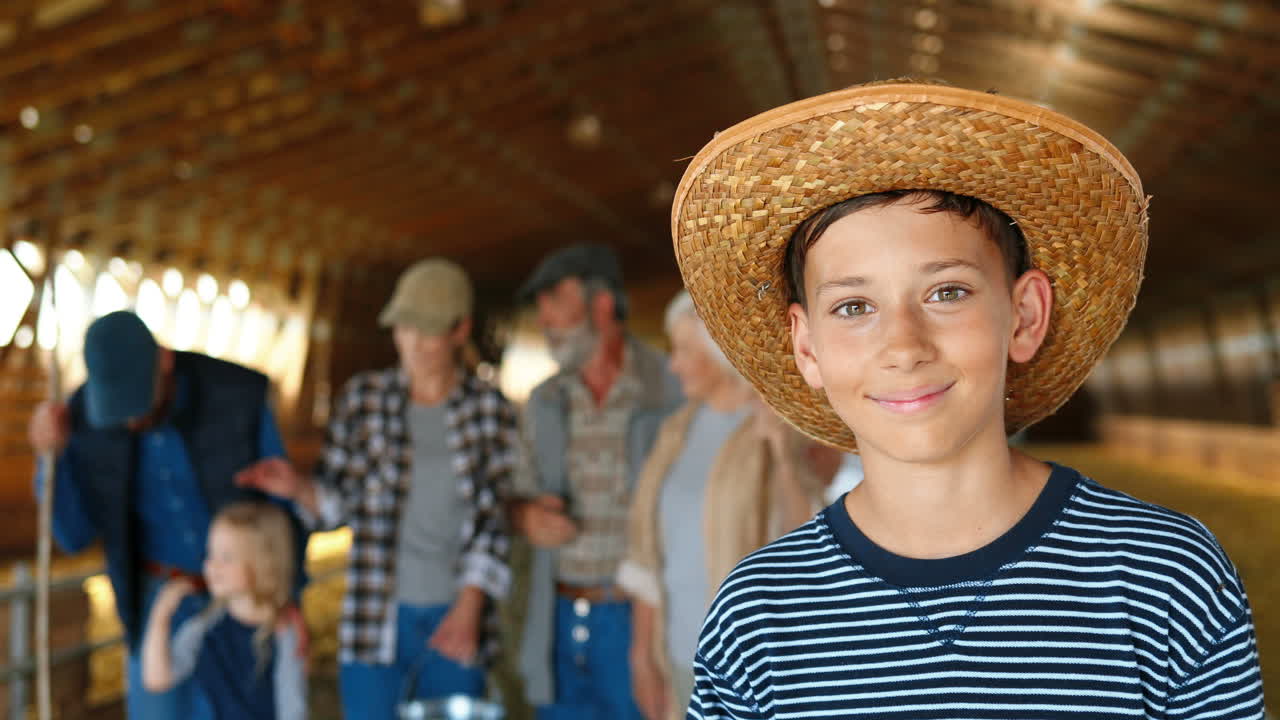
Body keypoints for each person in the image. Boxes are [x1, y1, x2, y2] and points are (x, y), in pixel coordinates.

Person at [670, 80, 1264, 718]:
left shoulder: (1164, 577)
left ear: (1024, 314)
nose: (904, 345)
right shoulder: (758, 616)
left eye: (947, 292)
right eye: (854, 306)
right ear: (808, 347)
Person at [235, 258, 518, 720]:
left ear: (460, 330)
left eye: (429, 331)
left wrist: (470, 608)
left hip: (457, 617)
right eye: (405, 328)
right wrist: (300, 489)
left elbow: (495, 517)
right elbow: (338, 507)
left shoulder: (491, 411)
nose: (415, 343)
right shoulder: (363, 400)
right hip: (374, 614)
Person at [28, 310, 303, 720]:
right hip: (158, 602)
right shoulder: (82, 416)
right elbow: (72, 536)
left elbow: (283, 507)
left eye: (139, 400)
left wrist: (289, 597)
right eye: (119, 410)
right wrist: (51, 460)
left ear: (164, 359)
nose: (131, 420)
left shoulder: (237, 394)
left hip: (243, 600)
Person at [617, 290, 831, 720]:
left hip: (753, 665)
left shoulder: (775, 428)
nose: (673, 364)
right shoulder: (675, 432)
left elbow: (808, 535)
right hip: (677, 654)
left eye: (682, 351)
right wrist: (641, 656)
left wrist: (784, 454)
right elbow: (648, 552)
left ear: (717, 353)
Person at [510, 243, 684, 719]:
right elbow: (512, 493)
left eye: (555, 301)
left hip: (642, 618)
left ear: (602, 303)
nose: (544, 319)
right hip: (560, 616)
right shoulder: (544, 401)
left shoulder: (671, 389)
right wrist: (526, 516)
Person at [142, 501, 306, 720]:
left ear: (263, 563)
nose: (212, 566)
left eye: (226, 557)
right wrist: (160, 615)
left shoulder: (283, 632)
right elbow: (158, 679)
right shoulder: (205, 625)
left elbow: (292, 708)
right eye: (211, 554)